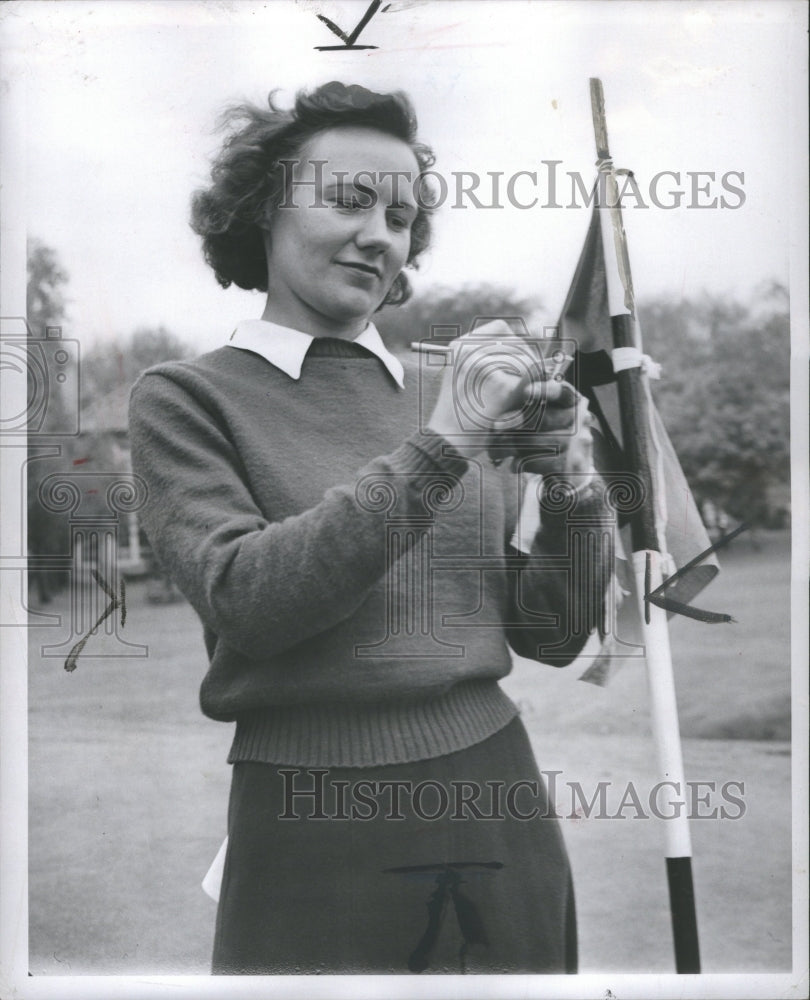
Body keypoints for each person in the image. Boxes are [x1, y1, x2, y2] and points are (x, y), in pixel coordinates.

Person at [128, 81, 613, 975]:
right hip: (310, 812)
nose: (380, 235)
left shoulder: (444, 388)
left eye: (401, 216)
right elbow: (251, 601)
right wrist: (450, 441)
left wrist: (574, 483)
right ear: (261, 212)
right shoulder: (186, 397)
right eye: (348, 202)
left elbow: (550, 632)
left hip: (495, 787)